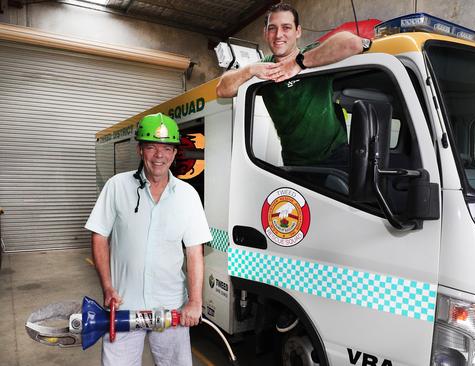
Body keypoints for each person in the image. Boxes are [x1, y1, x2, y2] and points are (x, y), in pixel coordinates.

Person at [85, 113, 212, 366]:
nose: (159, 155)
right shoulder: (116, 187)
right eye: (151, 146)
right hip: (122, 306)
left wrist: (195, 301)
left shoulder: (188, 196)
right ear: (140, 149)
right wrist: (108, 287)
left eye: (166, 148)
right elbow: (99, 236)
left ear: (175, 153)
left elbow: (194, 252)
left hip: (171, 308)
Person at [216, 2, 373, 168]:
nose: (278, 35)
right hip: (294, 163)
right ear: (265, 33)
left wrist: (300, 62)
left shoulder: (315, 54)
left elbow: (352, 44)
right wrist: (250, 69)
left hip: (334, 157)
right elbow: (222, 89)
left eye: (286, 27)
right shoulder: (263, 68)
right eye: (272, 28)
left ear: (298, 31)